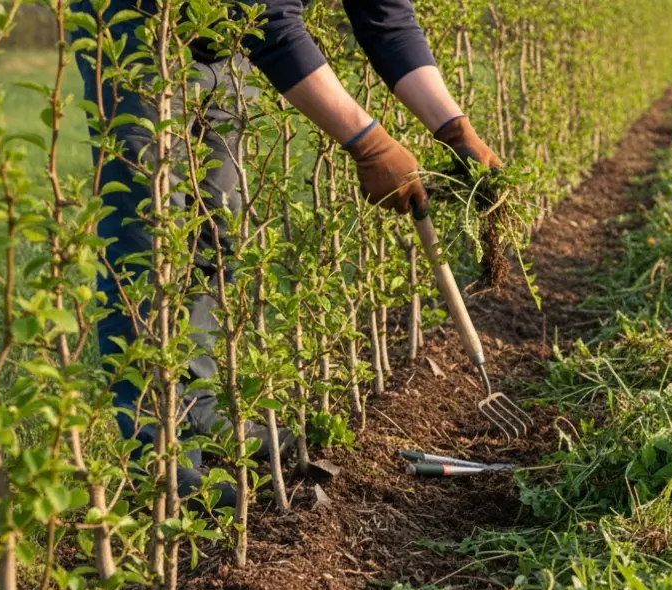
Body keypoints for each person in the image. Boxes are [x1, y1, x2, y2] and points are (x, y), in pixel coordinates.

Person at [69, 0, 501, 505]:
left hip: (221, 38)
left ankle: (201, 412)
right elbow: (271, 19)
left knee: (214, 231)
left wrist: (453, 129)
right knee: (150, 241)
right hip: (138, 30)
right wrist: (370, 144)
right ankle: (156, 457)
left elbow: (384, 16)